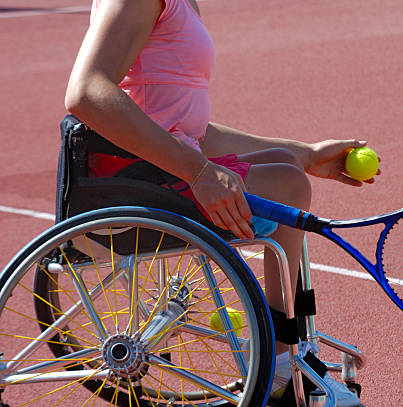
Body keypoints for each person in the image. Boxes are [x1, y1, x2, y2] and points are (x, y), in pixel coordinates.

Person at [65, 0, 377, 405]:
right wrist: (198, 172)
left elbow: (193, 131)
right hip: (136, 182)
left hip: (156, 172)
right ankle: (281, 365)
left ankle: (286, 357)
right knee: (285, 182)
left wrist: (306, 153)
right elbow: (86, 92)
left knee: (286, 172)